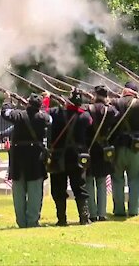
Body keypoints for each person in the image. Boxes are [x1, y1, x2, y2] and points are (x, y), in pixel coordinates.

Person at [1, 92, 51, 228]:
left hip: (18, 158)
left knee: (18, 192)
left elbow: (6, 112)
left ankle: (22, 222)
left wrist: (7, 99)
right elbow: (49, 118)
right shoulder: (43, 117)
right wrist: (45, 101)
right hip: (35, 158)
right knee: (35, 192)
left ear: (27, 103)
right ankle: (33, 221)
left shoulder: (18, 115)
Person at [45, 90, 93, 225]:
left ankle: (61, 219)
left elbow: (44, 114)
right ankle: (84, 218)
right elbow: (90, 124)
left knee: (58, 188)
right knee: (80, 187)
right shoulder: (85, 116)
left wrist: (47, 99)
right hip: (77, 157)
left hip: (59, 156)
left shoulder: (55, 113)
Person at [110, 82, 139, 217]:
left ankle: (119, 210)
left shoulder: (115, 102)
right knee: (135, 178)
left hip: (118, 145)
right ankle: (134, 209)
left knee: (117, 179)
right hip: (136, 146)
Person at [85, 86, 118, 222]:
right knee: (101, 182)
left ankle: (92, 213)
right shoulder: (110, 110)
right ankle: (102, 213)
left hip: (89, 148)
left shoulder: (88, 109)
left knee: (89, 181)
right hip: (103, 147)